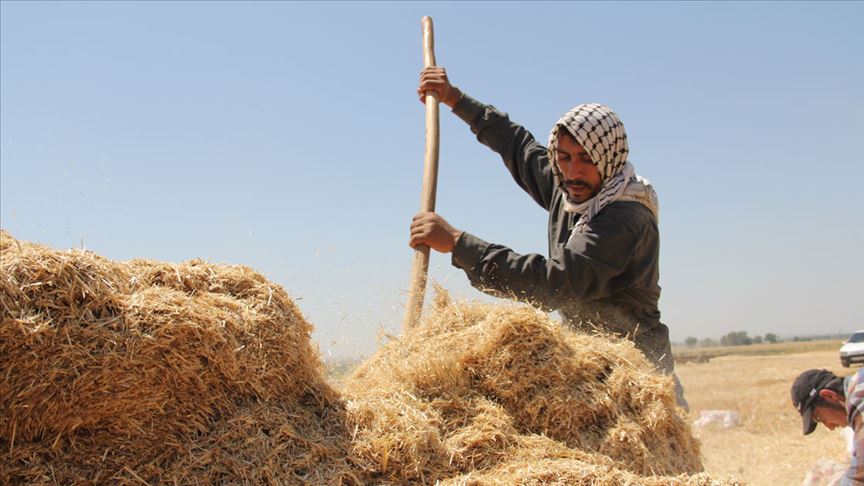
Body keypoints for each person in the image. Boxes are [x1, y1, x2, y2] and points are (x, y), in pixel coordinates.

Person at [409, 66, 687, 408]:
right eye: (564, 157)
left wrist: (459, 244)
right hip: (587, 367)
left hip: (638, 374)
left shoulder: (625, 216)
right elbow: (518, 146)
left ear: (609, 158)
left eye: (586, 159)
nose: (573, 171)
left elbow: (557, 281)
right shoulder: (572, 188)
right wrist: (455, 98)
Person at [792, 368, 864, 485]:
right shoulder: (859, 380)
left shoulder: (858, 401)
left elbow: (860, 474)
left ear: (829, 395)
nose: (830, 426)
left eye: (820, 417)